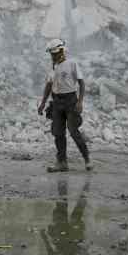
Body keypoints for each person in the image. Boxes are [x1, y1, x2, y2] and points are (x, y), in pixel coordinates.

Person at [37, 39, 91, 172]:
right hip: (57, 102)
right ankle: (62, 162)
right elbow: (49, 86)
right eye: (52, 54)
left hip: (70, 101)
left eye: (54, 54)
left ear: (61, 51)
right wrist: (43, 102)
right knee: (58, 133)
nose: (53, 56)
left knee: (73, 131)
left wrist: (80, 102)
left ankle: (87, 159)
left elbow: (82, 83)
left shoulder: (72, 64)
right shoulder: (52, 68)